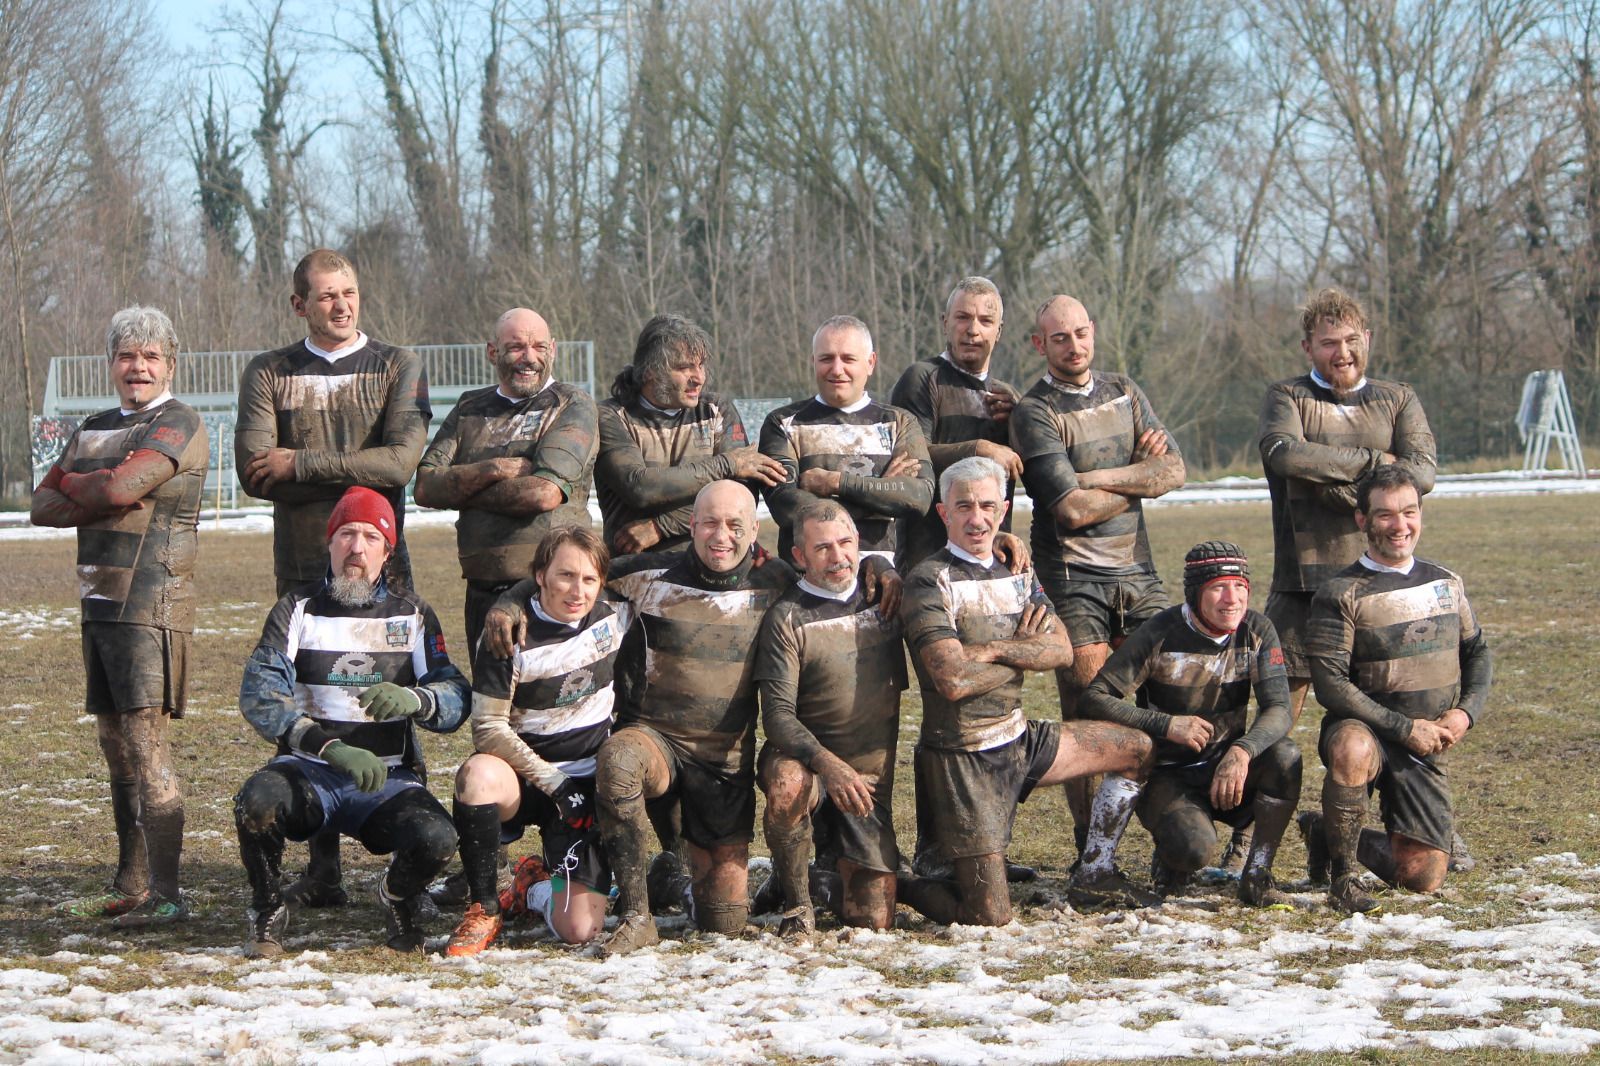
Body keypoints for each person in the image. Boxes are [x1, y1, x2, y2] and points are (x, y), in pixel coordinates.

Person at [485, 480, 898, 953]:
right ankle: (637, 915)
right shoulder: (649, 573)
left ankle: (669, 880)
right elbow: (576, 570)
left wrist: (881, 567)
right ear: (692, 525)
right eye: (709, 522)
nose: (720, 535)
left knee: (723, 921)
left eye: (734, 525)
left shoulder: (777, 580)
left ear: (753, 530)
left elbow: (833, 571)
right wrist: (510, 600)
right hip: (654, 743)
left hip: (722, 764)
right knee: (618, 760)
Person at [235, 248, 434, 905]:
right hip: (302, 574)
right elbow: (253, 468)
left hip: (386, 574)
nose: (341, 304)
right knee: (317, 702)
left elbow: (400, 462)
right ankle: (324, 870)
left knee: (391, 699)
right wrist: (344, 464)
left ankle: (412, 849)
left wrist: (301, 464)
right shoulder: (269, 371)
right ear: (299, 305)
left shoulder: (397, 364)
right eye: (325, 296)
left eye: (349, 291)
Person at [896, 457, 1156, 925]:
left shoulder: (1016, 569)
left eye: (987, 506)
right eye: (964, 506)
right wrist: (1021, 651)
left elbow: (1061, 651)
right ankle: (897, 879)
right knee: (991, 917)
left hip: (1019, 738)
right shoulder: (927, 580)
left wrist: (992, 651)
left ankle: (1095, 869)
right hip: (963, 755)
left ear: (1004, 509)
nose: (977, 518)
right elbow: (952, 682)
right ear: (944, 513)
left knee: (1135, 748)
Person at [234, 487, 470, 956]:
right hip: (309, 771)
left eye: (369, 537)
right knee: (256, 803)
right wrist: (328, 747)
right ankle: (267, 908)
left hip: (387, 778)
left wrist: (416, 698)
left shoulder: (414, 615)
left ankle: (396, 896)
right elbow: (259, 695)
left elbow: (457, 695)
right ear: (330, 543)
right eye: (346, 535)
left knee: (439, 839)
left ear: (387, 550)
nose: (356, 549)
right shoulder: (296, 609)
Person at [30, 307, 207, 927]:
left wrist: (94, 485)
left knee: (145, 742)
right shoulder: (93, 426)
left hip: (151, 606)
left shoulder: (181, 423)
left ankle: (167, 892)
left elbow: (107, 493)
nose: (139, 367)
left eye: (151, 356)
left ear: (170, 363)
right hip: (98, 602)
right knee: (113, 744)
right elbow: (39, 505)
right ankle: (129, 880)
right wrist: (105, 485)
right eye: (128, 356)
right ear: (111, 364)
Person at [1009, 295, 1185, 860]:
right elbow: (1071, 511)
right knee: (1090, 710)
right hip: (1073, 578)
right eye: (1059, 338)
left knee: (1177, 695)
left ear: (1093, 330)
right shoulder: (1034, 411)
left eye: (1081, 333)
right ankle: (1094, 854)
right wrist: (1141, 472)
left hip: (1139, 570)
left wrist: (1099, 473)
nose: (1074, 345)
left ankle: (1175, 837)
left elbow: (1175, 470)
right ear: (1040, 345)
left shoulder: (1125, 389)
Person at [1303, 466, 1491, 913]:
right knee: (1351, 747)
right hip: (1367, 730)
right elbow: (1331, 685)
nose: (1399, 525)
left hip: (1424, 745)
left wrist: (1465, 713)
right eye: (1385, 515)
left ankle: (1321, 832)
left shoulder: (1446, 583)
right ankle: (1343, 875)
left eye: (1408, 512)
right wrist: (1403, 727)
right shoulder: (1340, 593)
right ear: (1362, 521)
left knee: (1422, 877)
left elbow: (1478, 653)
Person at [1079, 542, 1301, 906]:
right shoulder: (1158, 632)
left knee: (1285, 756)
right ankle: (1171, 857)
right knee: (1192, 849)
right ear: (1196, 593)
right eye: (1218, 587)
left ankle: (1258, 873)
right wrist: (1166, 724)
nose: (1232, 599)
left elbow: (1279, 708)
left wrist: (1242, 751)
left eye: (1240, 587)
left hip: (1226, 768)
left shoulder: (1258, 630)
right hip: (1169, 773)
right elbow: (1095, 697)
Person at [445, 526, 622, 955]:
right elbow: (487, 728)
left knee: (579, 930)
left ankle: (531, 888)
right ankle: (485, 905)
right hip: (528, 778)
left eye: (588, 579)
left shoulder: (616, 612)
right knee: (478, 775)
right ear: (540, 575)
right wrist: (553, 782)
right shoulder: (507, 631)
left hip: (586, 784)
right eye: (565, 576)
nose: (577, 590)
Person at [755, 501, 907, 936]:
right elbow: (778, 718)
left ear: (859, 543)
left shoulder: (885, 595)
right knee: (789, 785)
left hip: (867, 782)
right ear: (799, 556)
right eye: (822, 548)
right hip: (809, 764)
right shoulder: (786, 617)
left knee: (874, 920)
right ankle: (796, 901)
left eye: (845, 543)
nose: (838, 557)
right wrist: (828, 764)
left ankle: (820, 878)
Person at [415, 307, 598, 655]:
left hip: (554, 593)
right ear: (492, 351)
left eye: (539, 347)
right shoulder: (470, 408)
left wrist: (462, 491)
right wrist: (494, 469)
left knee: (549, 703)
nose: (528, 358)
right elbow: (425, 486)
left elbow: (543, 494)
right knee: (493, 703)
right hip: (482, 589)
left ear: (554, 350)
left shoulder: (572, 405)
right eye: (516, 347)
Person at [595, 314, 785, 557]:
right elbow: (640, 487)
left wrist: (661, 526)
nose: (699, 378)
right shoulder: (611, 416)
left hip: (712, 564)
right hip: (634, 568)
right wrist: (728, 464)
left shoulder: (715, 410)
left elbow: (739, 496)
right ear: (651, 371)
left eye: (701, 365)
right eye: (685, 367)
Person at [759, 315, 934, 563]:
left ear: (870, 363)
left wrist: (836, 483)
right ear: (813, 362)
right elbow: (786, 506)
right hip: (805, 585)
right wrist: (880, 494)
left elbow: (918, 498)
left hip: (882, 583)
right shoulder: (782, 423)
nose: (837, 369)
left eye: (848, 359)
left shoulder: (900, 422)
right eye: (826, 358)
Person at [890, 276, 1024, 569]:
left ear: (998, 331)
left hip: (991, 559)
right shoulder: (922, 379)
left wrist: (1022, 423)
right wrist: (980, 449)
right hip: (928, 562)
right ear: (945, 322)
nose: (973, 330)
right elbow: (912, 458)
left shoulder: (1007, 399)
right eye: (963, 317)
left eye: (985, 321)